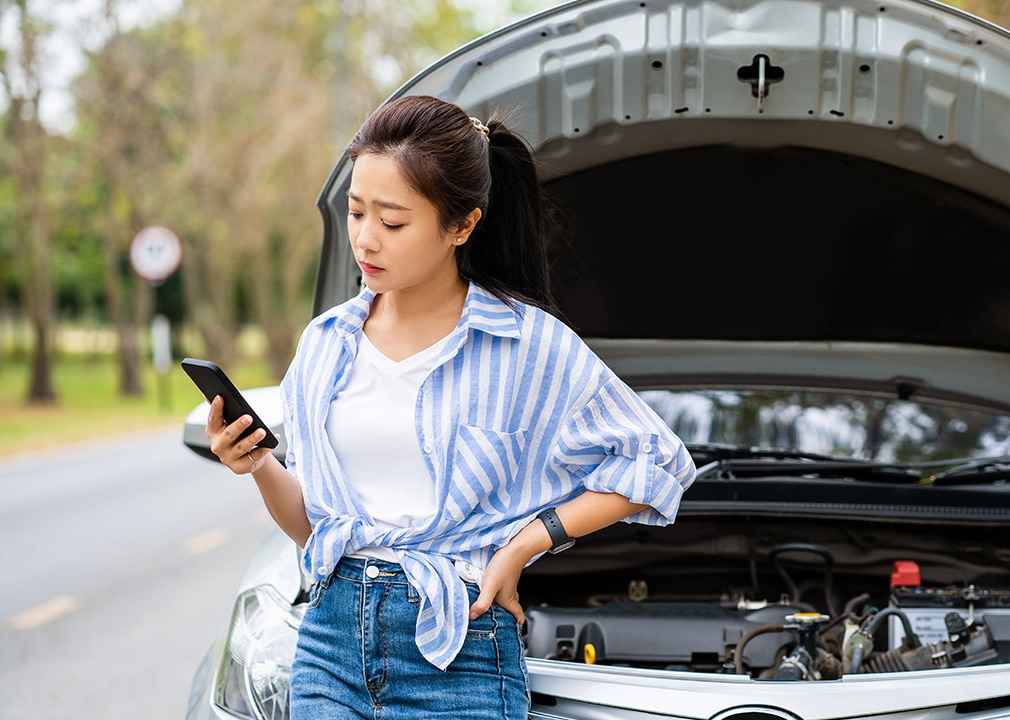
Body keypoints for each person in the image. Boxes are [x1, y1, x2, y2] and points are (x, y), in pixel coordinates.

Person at [205, 94, 697, 719]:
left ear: (462, 226)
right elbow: (314, 529)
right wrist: (258, 466)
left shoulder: (527, 345)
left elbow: (658, 462)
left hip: (458, 651)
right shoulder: (325, 344)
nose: (365, 239)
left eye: (393, 221)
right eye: (356, 212)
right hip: (328, 647)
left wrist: (523, 546)